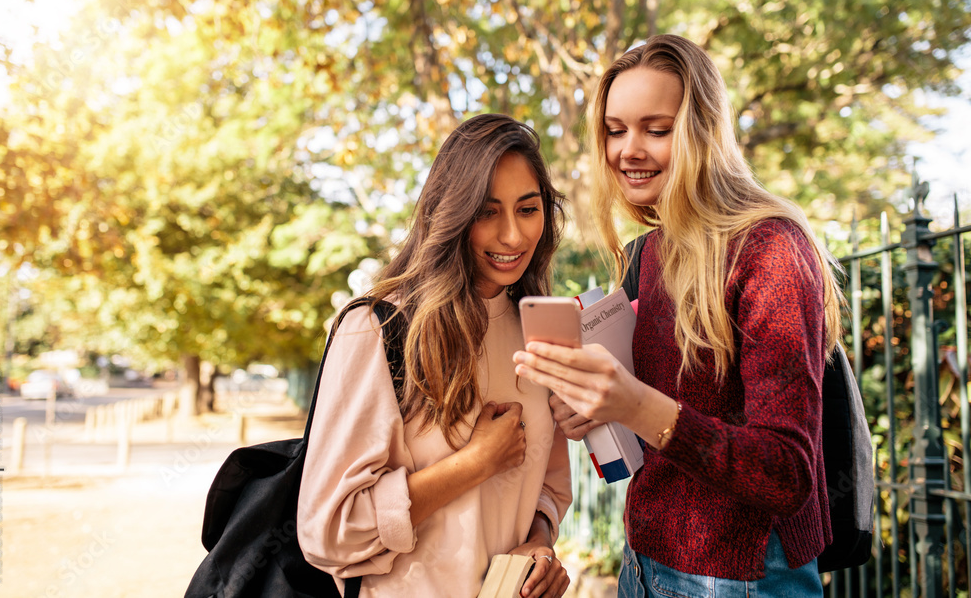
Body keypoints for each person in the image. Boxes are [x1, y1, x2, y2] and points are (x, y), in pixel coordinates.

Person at [513, 35, 843, 597]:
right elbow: (661, 413)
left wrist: (636, 404)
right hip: (643, 562)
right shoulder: (650, 251)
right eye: (615, 130)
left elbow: (787, 473)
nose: (627, 150)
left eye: (656, 129)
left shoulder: (770, 250)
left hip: (737, 578)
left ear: (702, 131)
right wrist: (593, 410)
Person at [298, 114, 573, 598]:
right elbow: (328, 532)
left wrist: (540, 547)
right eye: (488, 212)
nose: (513, 235)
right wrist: (474, 463)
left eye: (528, 209)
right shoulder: (377, 328)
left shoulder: (540, 332)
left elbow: (549, 487)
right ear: (452, 214)